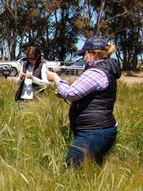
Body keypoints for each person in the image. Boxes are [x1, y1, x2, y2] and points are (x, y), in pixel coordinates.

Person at [46, 37, 121, 169]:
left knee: (72, 171)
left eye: (84, 54)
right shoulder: (103, 70)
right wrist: (64, 92)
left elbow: (72, 93)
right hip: (98, 130)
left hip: (93, 132)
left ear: (95, 54)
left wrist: (56, 78)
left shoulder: (96, 72)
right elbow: (85, 94)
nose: (82, 57)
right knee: (91, 172)